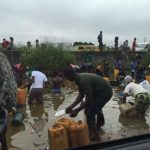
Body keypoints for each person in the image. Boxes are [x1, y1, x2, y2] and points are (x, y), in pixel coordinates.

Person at [64, 67, 113, 141]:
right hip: (97, 92)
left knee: (89, 113)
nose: (67, 79)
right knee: (90, 110)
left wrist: (77, 110)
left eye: (66, 77)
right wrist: (71, 106)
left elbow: (89, 100)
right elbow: (81, 95)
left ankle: (95, 136)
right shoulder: (78, 79)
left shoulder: (83, 81)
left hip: (105, 92)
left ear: (69, 76)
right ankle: (98, 125)